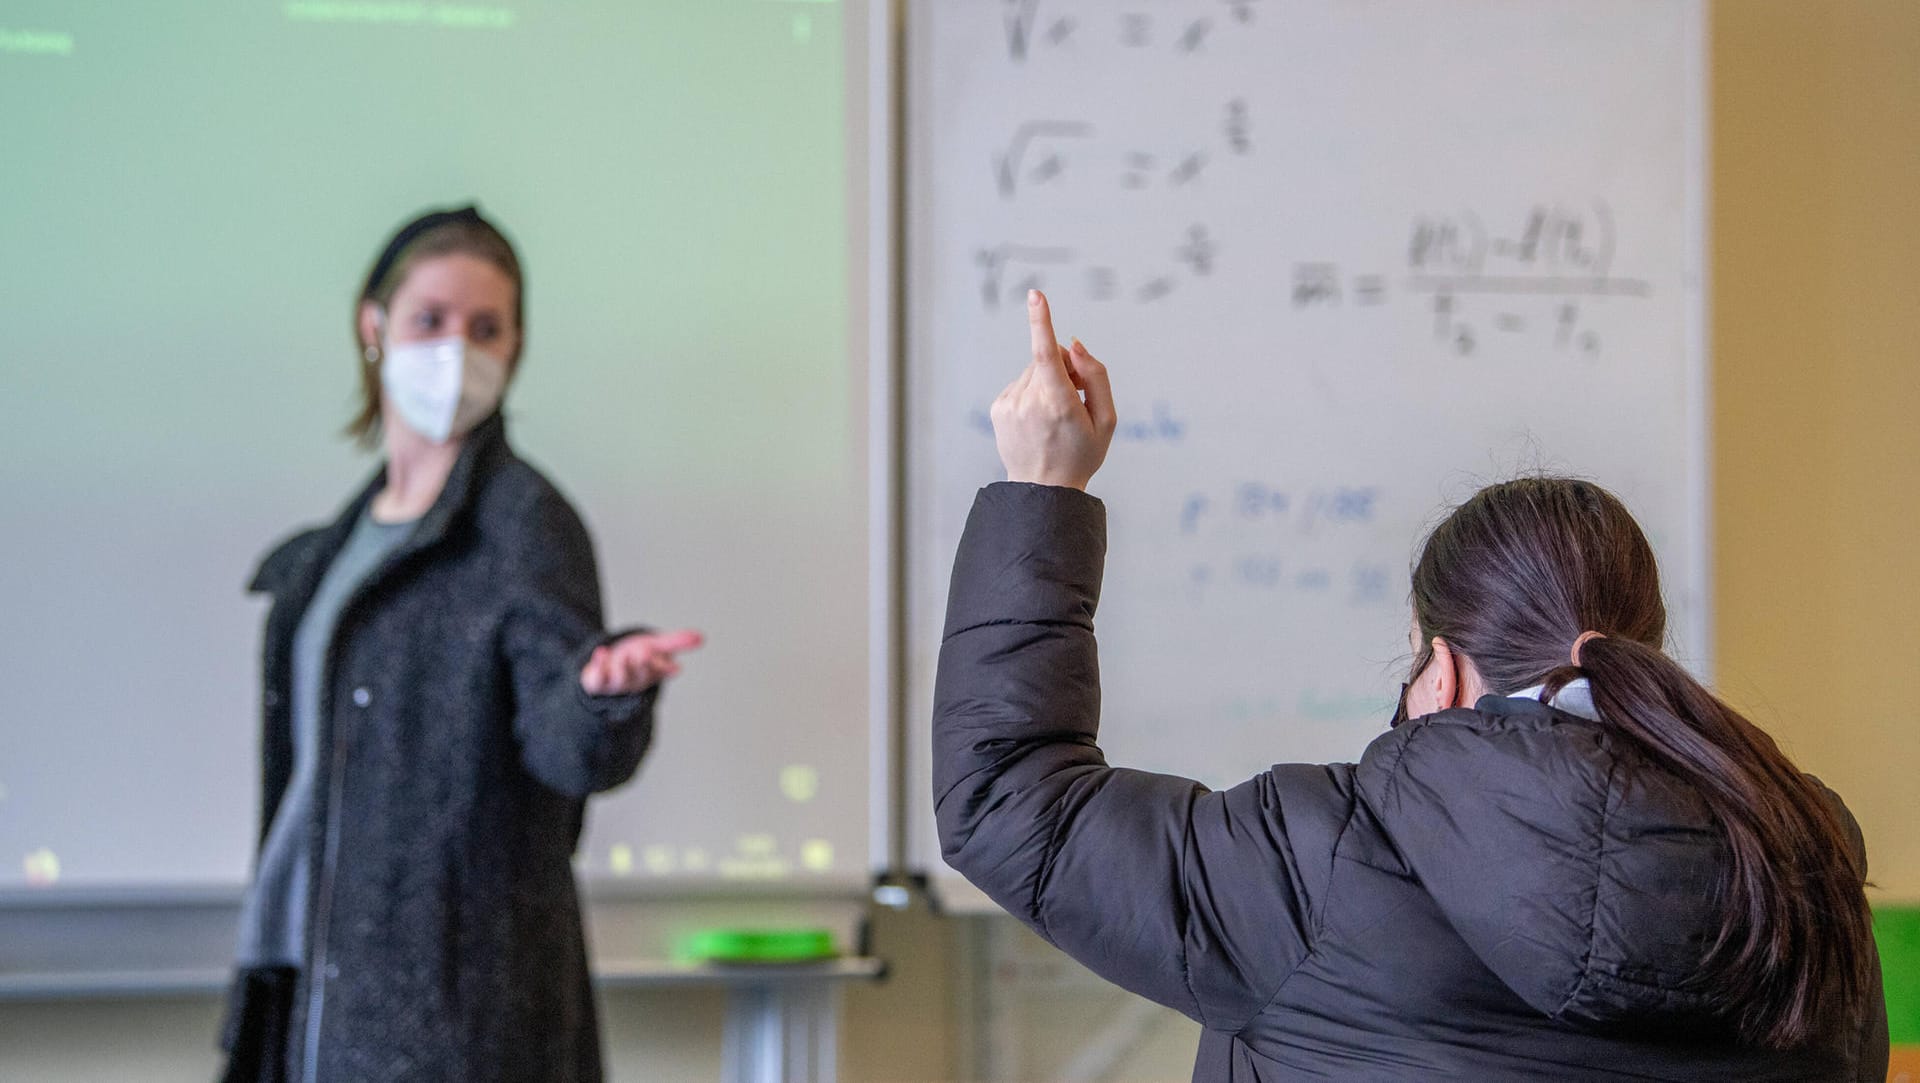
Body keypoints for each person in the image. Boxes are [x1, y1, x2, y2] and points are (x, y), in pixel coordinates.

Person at [932, 290, 1888, 1081]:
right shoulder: (1802, 875)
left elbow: (1007, 802)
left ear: (1441, 670)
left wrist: (1044, 487)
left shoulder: (1319, 864)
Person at [218, 206, 703, 1083]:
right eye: (430, 321)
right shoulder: (341, 543)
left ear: (516, 346)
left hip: (461, 1012)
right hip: (306, 982)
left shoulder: (523, 523)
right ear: (375, 328)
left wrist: (605, 695)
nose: (457, 352)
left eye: (487, 328)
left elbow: (563, 744)